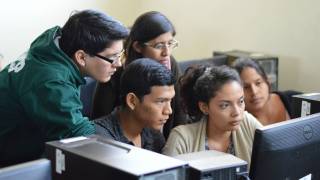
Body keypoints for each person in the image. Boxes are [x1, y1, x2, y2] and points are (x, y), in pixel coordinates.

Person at [0, 10, 129, 166]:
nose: (118, 63)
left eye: (119, 54)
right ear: (81, 57)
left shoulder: (55, 42)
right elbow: (81, 136)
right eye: (112, 57)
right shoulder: (51, 82)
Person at [92, 11, 186, 139]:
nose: (167, 52)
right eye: (159, 46)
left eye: (170, 43)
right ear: (138, 46)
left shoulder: (170, 63)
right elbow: (100, 116)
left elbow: (179, 113)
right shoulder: (116, 70)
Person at [162, 65, 262, 167]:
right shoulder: (182, 138)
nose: (236, 112)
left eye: (240, 101)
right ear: (204, 107)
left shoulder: (247, 122)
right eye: (225, 105)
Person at [94, 58, 175, 152]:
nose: (169, 110)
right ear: (132, 101)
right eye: (160, 101)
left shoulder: (154, 135)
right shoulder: (99, 139)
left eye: (170, 100)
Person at [233, 58, 301, 125]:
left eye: (258, 83)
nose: (254, 92)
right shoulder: (235, 123)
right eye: (246, 87)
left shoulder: (295, 99)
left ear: (267, 83)